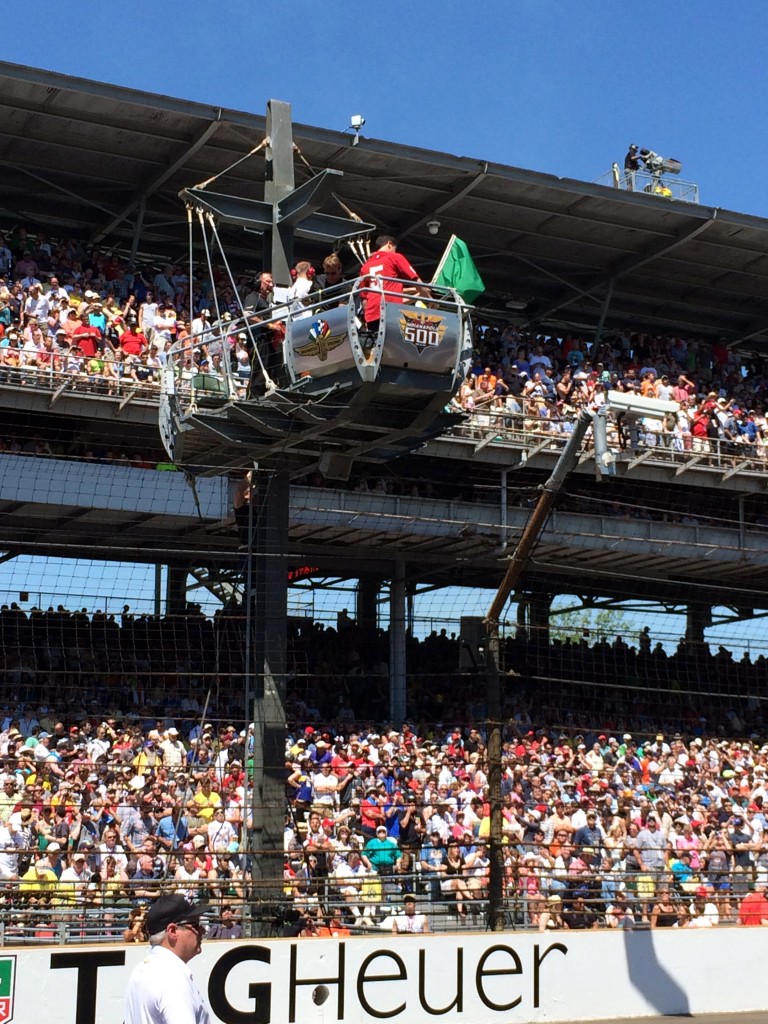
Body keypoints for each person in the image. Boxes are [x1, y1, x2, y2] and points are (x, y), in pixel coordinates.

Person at [124, 894, 212, 1024]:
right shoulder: (173, 979)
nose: (202, 930)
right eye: (195, 924)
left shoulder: (140, 970)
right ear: (172, 931)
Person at [358, 235, 428, 337]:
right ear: (389, 244)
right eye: (395, 249)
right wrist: (429, 298)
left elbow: (364, 299)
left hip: (372, 315)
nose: (395, 251)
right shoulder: (395, 257)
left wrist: (419, 294)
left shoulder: (365, 267)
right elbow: (415, 280)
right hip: (392, 313)